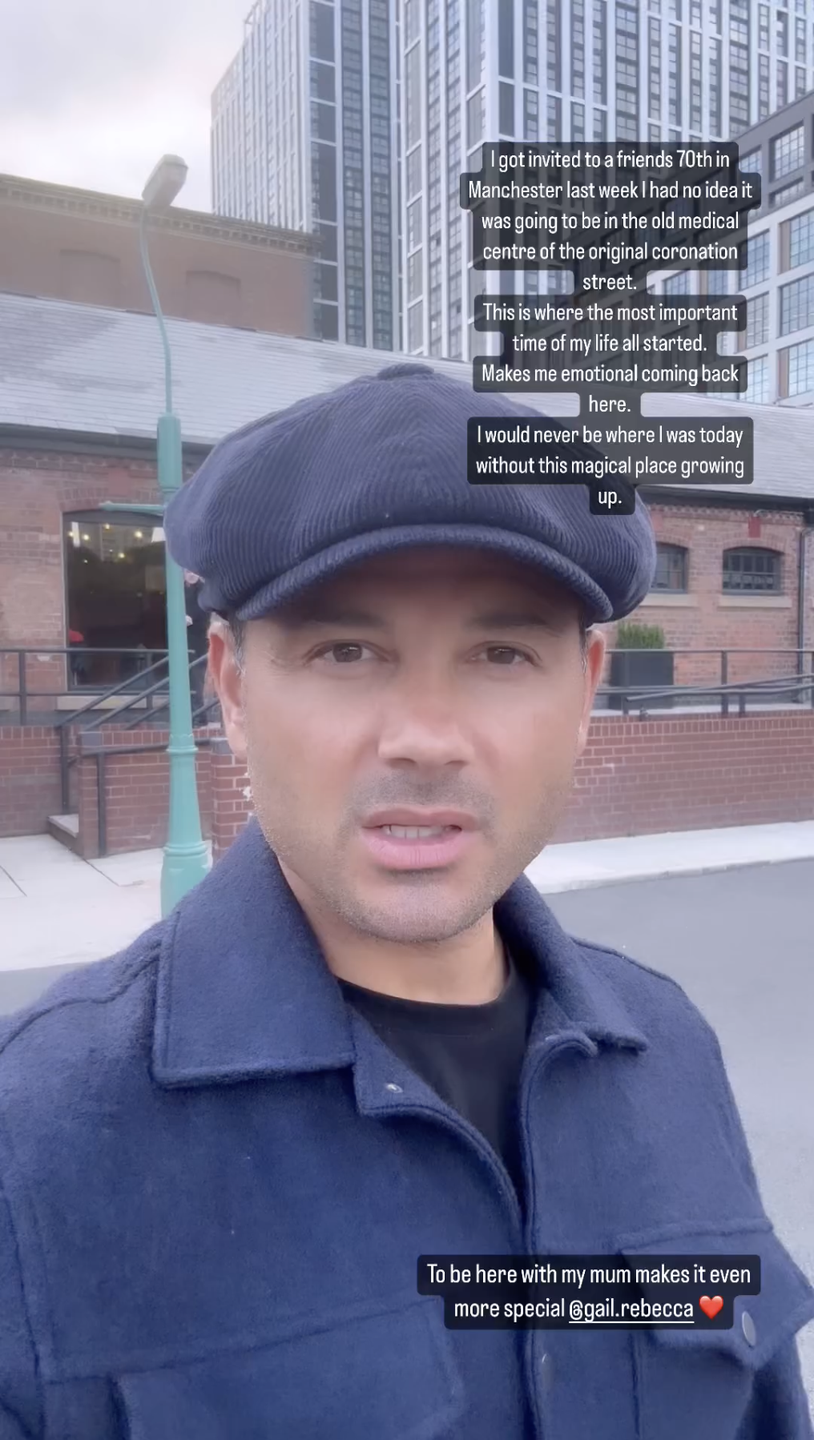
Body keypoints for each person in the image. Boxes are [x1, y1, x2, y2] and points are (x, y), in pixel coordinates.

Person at [0, 362, 811, 1439]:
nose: (423, 737)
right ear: (232, 687)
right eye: (346, 650)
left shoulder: (669, 1051)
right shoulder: (37, 1137)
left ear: (585, 688)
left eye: (499, 652)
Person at [183, 569, 209, 716]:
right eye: (187, 571)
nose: (191, 573)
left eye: (193, 570)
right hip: (183, 640)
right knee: (187, 679)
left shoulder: (203, 589)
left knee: (196, 678)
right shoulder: (180, 590)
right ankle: (191, 714)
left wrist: (190, 618)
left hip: (197, 641)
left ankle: (199, 715)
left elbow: (205, 612)